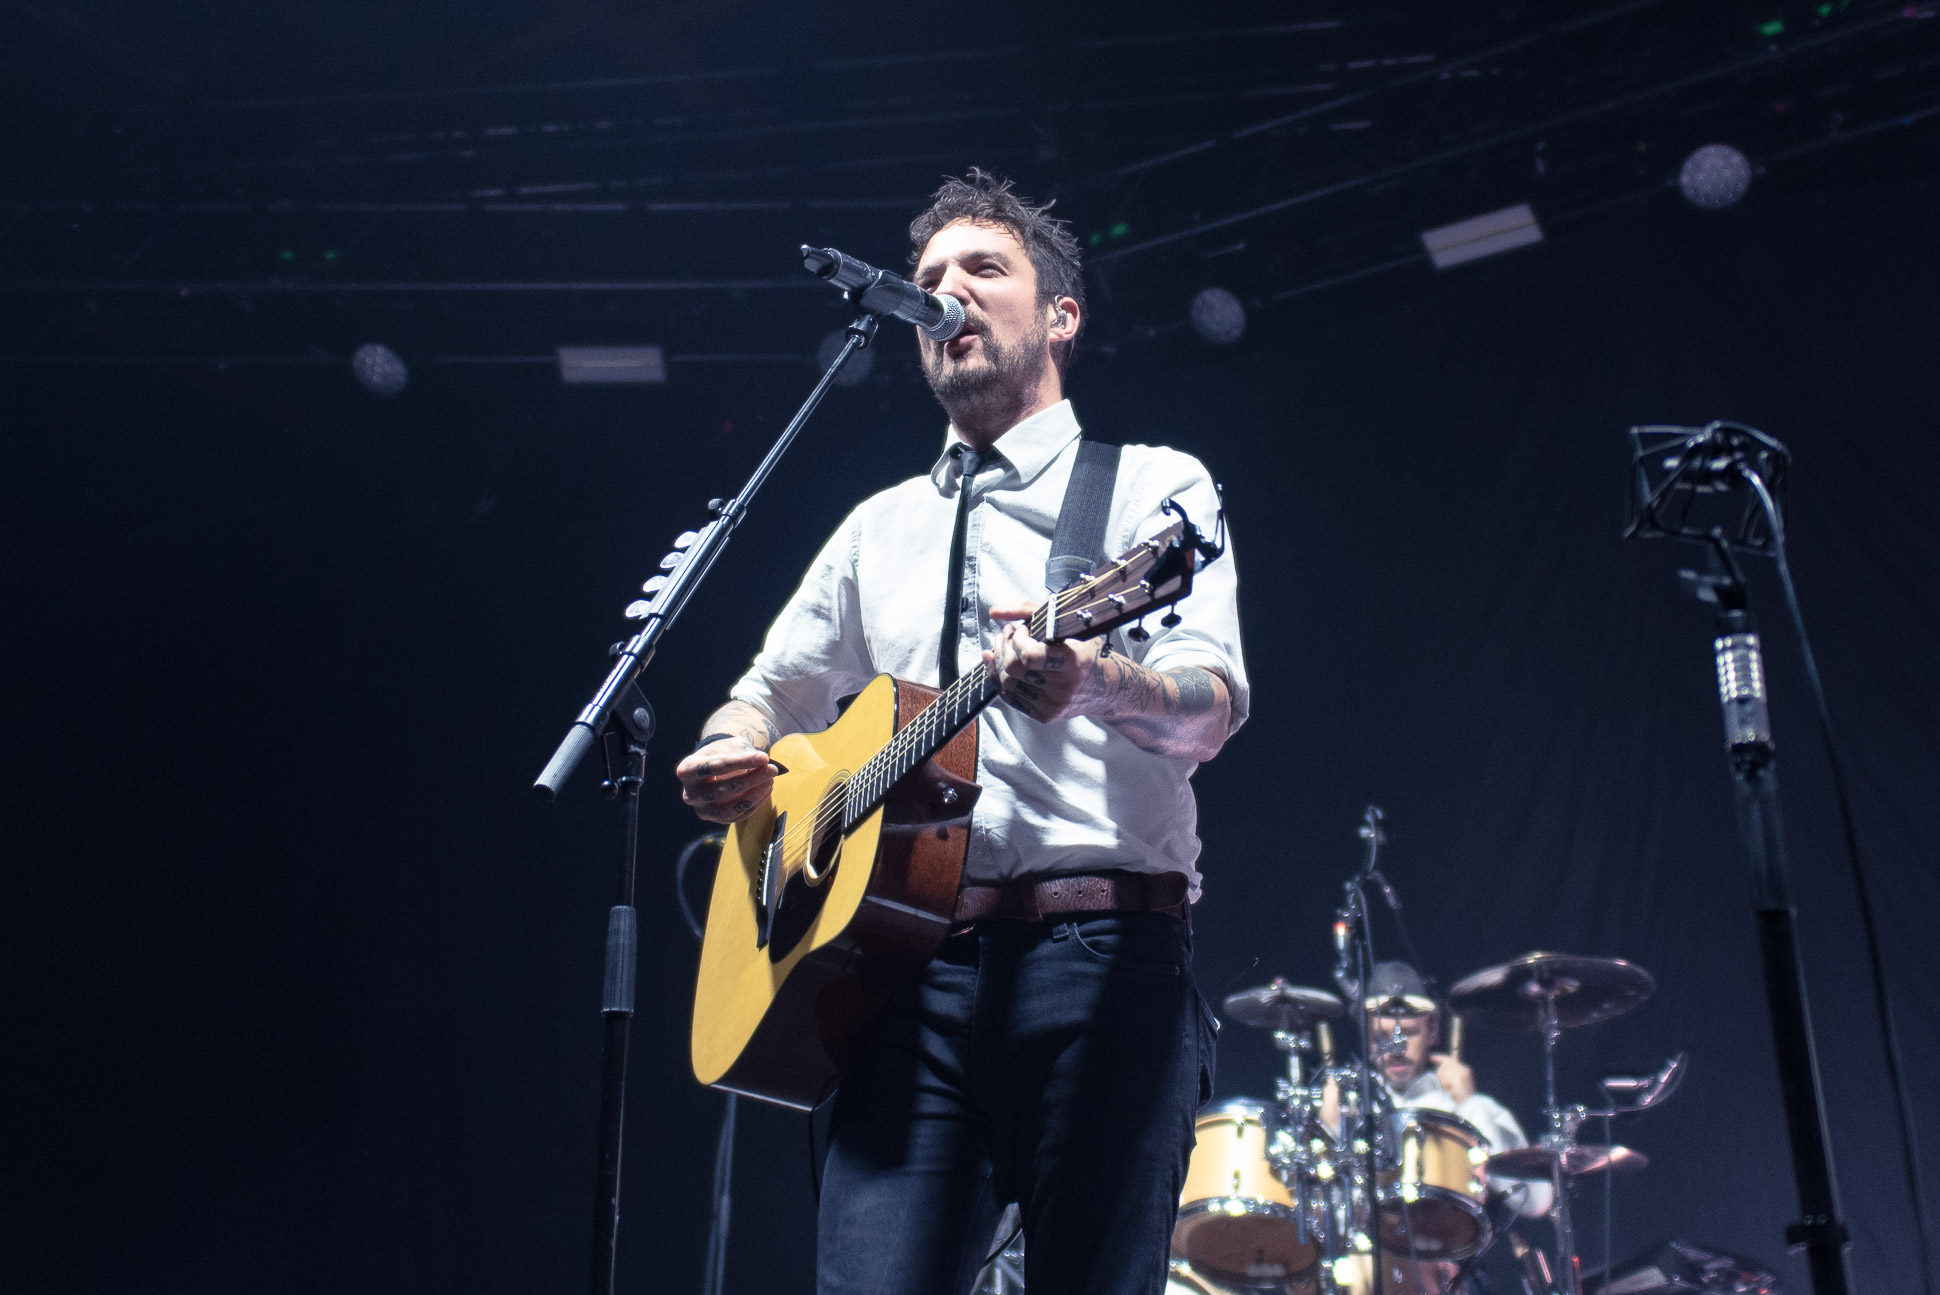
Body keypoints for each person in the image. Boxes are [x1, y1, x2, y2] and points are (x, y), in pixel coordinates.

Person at [674, 169, 1249, 1295]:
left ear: (1060, 317)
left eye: (983, 270)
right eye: (929, 278)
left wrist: (1093, 680)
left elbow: (1211, 706)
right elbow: (768, 690)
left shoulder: (1151, 488)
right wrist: (730, 746)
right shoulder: (873, 525)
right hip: (891, 974)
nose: (948, 293)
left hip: (1097, 962)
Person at [1356, 961, 1553, 1221]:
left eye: (1408, 1033)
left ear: (1432, 1032)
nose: (1395, 1049)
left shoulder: (1466, 1103)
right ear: (1366, 1037)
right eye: (1381, 1037)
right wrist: (1328, 1128)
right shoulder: (1350, 1107)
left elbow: (1536, 1200)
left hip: (1447, 1248)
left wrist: (1468, 1104)